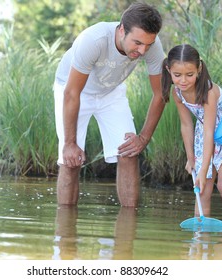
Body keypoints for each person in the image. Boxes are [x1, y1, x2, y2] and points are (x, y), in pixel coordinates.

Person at [54, 2, 166, 207]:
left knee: (129, 152)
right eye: (137, 43)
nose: (142, 51)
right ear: (122, 29)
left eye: (147, 45)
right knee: (70, 161)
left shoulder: (152, 45)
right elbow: (72, 93)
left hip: (111, 92)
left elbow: (160, 94)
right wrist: (70, 144)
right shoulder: (93, 40)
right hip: (74, 91)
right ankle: (65, 233)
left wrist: (143, 138)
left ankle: (127, 232)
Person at [162, 44, 222, 220]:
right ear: (169, 70)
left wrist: (204, 169)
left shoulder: (207, 90)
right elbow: (186, 125)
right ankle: (200, 238)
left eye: (189, 75)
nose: (183, 80)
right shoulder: (177, 92)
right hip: (204, 132)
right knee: (202, 188)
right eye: (177, 75)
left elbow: (210, 130)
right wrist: (191, 158)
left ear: (199, 69)